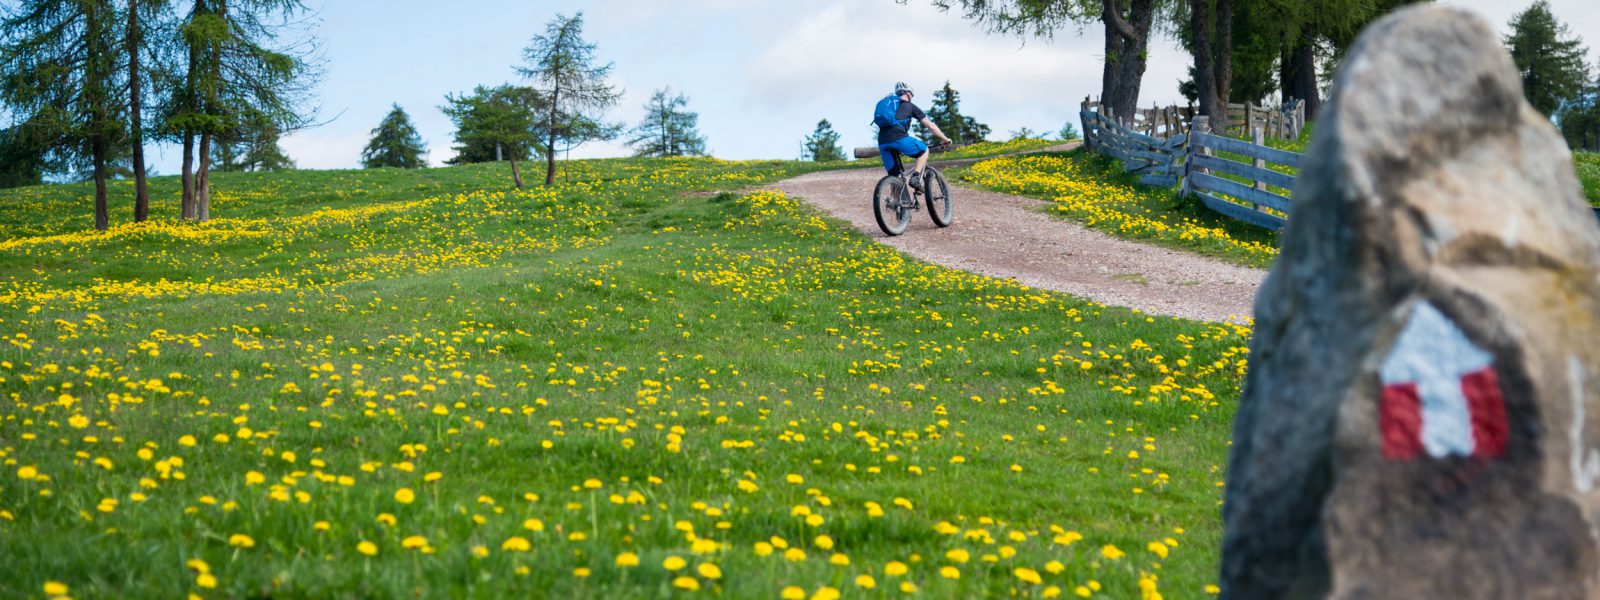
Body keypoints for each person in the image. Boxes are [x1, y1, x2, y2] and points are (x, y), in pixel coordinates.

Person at [874, 82, 951, 190]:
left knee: (894, 176)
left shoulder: (890, 105)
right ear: (908, 93)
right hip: (899, 138)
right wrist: (945, 139)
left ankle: (895, 199)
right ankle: (915, 177)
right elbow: (931, 126)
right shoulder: (910, 106)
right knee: (924, 150)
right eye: (912, 95)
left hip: (882, 142)